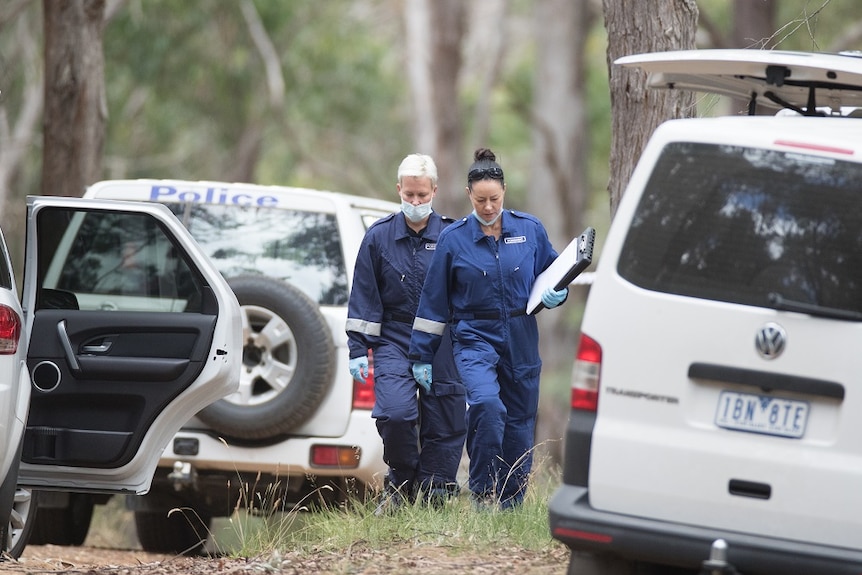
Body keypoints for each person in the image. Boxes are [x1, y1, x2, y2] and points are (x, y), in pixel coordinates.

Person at [408, 148, 568, 510]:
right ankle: (482, 492)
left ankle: (511, 503)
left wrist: (560, 292)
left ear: (505, 192)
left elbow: (554, 271)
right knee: (487, 406)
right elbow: (432, 301)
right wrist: (421, 354)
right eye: (480, 200)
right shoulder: (454, 240)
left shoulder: (530, 230)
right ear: (469, 196)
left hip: (521, 333)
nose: (488, 207)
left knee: (520, 420)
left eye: (494, 198)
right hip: (474, 335)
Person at [345, 153, 466, 514]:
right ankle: (402, 481)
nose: (415, 202)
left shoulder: (452, 235)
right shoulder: (378, 237)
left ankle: (436, 490)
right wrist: (357, 348)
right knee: (395, 414)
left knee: (444, 415)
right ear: (398, 190)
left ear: (435, 191)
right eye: (409, 194)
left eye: (422, 196)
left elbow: (468, 291)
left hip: (441, 340)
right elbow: (364, 294)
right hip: (394, 337)